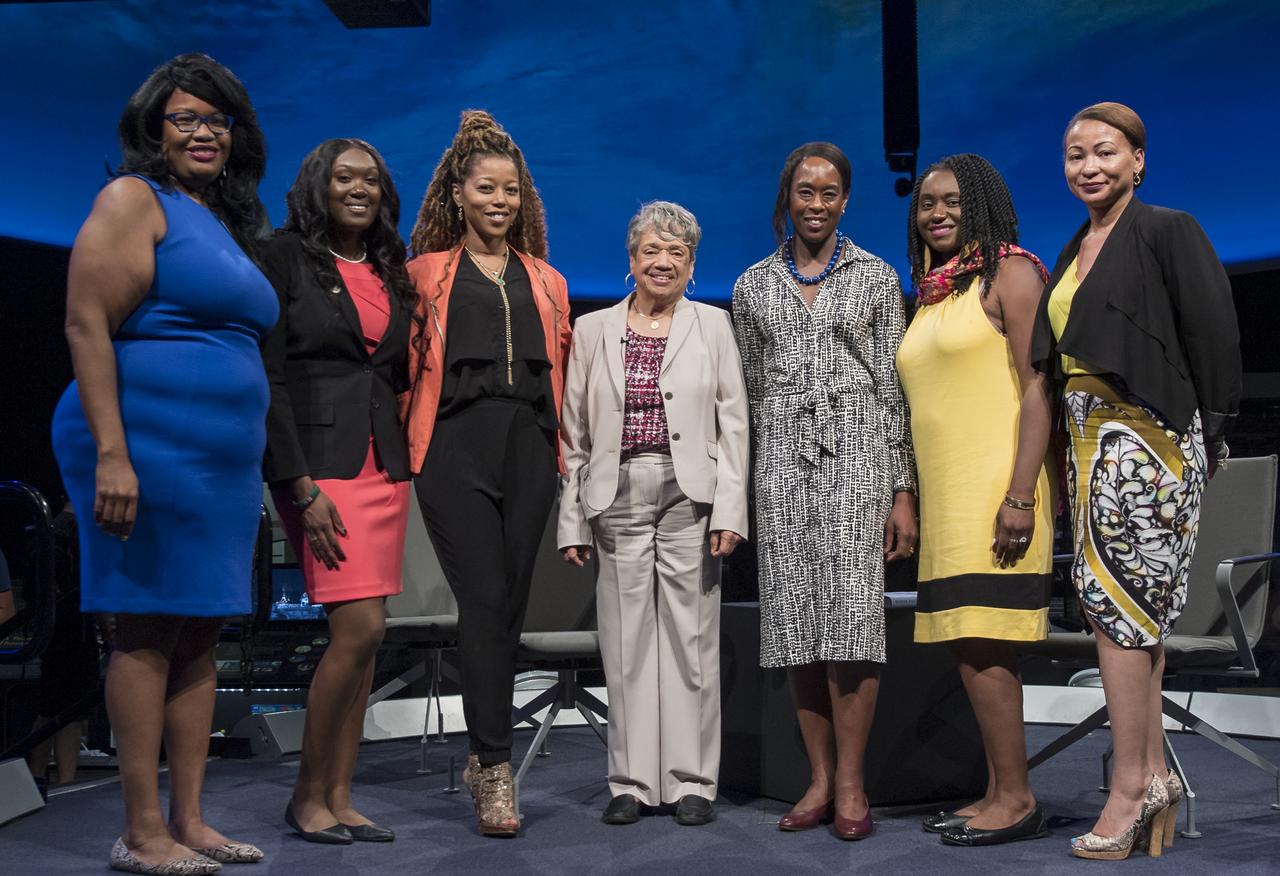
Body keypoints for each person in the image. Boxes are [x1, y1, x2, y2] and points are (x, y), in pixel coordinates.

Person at [49, 53, 275, 874]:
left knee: (199, 636)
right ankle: (140, 830)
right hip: (141, 448)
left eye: (217, 120)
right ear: (154, 128)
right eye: (185, 118)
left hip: (216, 468)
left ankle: (189, 820)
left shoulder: (218, 221)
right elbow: (85, 326)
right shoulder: (132, 201)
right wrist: (113, 454)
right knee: (144, 631)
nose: (203, 132)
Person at [1030, 102, 1241, 860]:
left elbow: (1214, 332)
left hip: (1147, 440)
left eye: (1105, 152)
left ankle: (1128, 788)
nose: (1089, 166)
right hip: (1090, 443)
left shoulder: (1165, 230)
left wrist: (1207, 437)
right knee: (1116, 609)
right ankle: (1151, 775)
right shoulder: (1072, 248)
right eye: (1075, 154)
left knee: (1121, 613)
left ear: (1139, 160)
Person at [732, 142, 917, 841]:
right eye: (805, 191)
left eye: (829, 192)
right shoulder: (752, 285)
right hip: (781, 464)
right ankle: (815, 776)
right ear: (788, 197)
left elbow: (894, 392)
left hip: (857, 460)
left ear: (845, 200)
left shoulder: (875, 276)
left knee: (851, 626)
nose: (816, 204)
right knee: (794, 629)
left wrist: (903, 490)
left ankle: (850, 783)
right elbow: (747, 392)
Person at [402, 110, 572, 837]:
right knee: (483, 597)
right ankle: (495, 768)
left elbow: (562, 378)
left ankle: (482, 755)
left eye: (510, 190)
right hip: (453, 447)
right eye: (485, 188)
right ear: (458, 194)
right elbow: (399, 373)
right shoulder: (424, 277)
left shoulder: (549, 280)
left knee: (508, 607)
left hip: (529, 446)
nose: (499, 201)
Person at [558, 201, 749, 827]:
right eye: (650, 250)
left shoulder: (713, 326)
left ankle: (693, 781)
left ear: (692, 265)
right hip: (616, 497)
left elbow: (734, 425)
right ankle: (632, 782)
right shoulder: (593, 332)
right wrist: (572, 519)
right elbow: (575, 435)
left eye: (676, 252)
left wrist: (729, 510)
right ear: (631, 259)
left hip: (689, 498)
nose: (662, 261)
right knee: (625, 644)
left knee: (692, 643)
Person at [260, 138, 415, 845]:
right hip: (321, 470)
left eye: (372, 181)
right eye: (345, 178)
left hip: (384, 468)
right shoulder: (285, 257)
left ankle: (342, 795)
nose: (360, 189)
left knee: (368, 639)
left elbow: (395, 373)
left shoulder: (390, 266)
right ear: (319, 183)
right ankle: (306, 795)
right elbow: (272, 376)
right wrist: (295, 480)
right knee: (359, 630)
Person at [896, 154, 1052, 846]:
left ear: (981, 205)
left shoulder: (1011, 273)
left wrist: (1020, 494)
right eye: (927, 203)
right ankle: (995, 789)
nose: (937, 213)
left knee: (988, 644)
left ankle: (1016, 798)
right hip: (950, 496)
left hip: (998, 488)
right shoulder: (935, 292)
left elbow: (1040, 390)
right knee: (968, 643)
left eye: (954, 202)